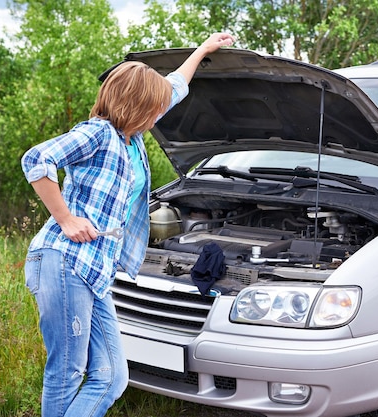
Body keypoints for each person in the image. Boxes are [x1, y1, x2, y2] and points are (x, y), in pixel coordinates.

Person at [21, 32, 235, 417]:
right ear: (133, 104)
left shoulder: (132, 139)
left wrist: (203, 50)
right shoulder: (99, 133)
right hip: (65, 261)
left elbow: (174, 88)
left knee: (112, 376)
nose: (158, 115)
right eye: (151, 108)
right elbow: (36, 161)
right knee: (68, 373)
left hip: (96, 270)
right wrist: (65, 218)